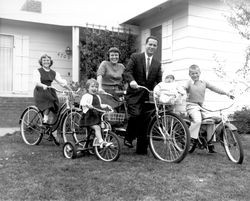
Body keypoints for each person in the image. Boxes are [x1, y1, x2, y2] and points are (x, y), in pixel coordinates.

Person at [122, 36, 162, 154]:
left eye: (154, 45)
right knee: (135, 115)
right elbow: (127, 72)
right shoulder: (136, 57)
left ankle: (141, 149)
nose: (152, 47)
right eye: (150, 44)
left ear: (156, 47)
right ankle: (129, 137)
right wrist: (132, 81)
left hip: (147, 96)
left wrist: (161, 90)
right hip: (134, 94)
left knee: (146, 122)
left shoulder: (157, 63)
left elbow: (159, 81)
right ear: (146, 45)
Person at [183, 64, 234, 153]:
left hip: (202, 105)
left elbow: (215, 88)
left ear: (200, 73)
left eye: (196, 73)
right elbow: (183, 88)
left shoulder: (204, 82)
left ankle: (209, 142)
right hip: (192, 105)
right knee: (198, 120)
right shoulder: (188, 83)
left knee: (211, 121)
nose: (195, 75)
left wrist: (227, 93)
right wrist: (181, 92)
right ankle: (190, 139)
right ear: (189, 74)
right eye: (192, 74)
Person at [33, 54, 71, 144]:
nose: (46, 62)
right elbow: (36, 82)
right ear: (41, 62)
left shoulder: (54, 73)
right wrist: (43, 85)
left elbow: (62, 82)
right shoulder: (38, 71)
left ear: (50, 62)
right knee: (49, 102)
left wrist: (70, 90)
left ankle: (53, 131)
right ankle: (45, 119)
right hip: (41, 90)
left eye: (48, 60)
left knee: (56, 109)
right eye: (44, 60)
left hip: (50, 90)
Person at [79, 78, 112, 148]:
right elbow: (82, 103)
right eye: (92, 86)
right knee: (97, 128)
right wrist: (87, 105)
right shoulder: (86, 96)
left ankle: (98, 142)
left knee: (105, 126)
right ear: (88, 88)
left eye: (96, 87)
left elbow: (99, 105)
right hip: (89, 117)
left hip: (96, 116)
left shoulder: (97, 96)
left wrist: (105, 105)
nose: (95, 88)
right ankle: (101, 142)